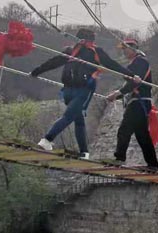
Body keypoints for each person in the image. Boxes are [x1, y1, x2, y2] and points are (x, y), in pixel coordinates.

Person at [31, 28, 129, 159]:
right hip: (84, 90)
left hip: (67, 91)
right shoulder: (96, 51)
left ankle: (84, 152)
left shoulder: (70, 51)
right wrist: (130, 75)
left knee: (79, 120)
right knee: (69, 116)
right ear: (92, 40)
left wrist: (36, 71)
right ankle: (47, 140)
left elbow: (53, 63)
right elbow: (112, 64)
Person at [106, 38, 158, 169]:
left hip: (139, 102)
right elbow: (131, 85)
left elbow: (135, 82)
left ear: (133, 48)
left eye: (125, 48)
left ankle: (119, 158)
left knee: (124, 129)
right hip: (140, 101)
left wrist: (117, 93)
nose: (123, 51)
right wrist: (117, 96)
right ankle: (153, 164)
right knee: (142, 135)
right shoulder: (136, 63)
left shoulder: (140, 62)